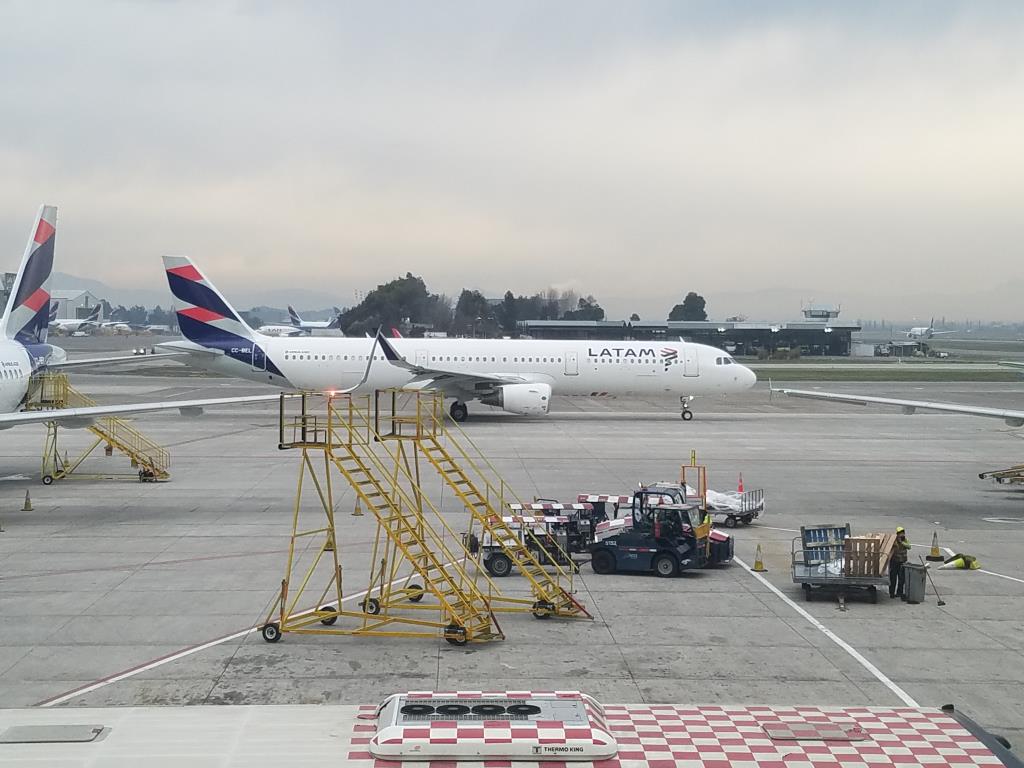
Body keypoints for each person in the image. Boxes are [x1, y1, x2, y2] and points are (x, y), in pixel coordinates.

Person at [890, 526, 911, 599]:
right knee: (893, 578)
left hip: (902, 562)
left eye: (902, 533)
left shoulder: (905, 540)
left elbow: (909, 547)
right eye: (899, 533)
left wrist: (902, 542)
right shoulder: (894, 540)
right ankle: (892, 593)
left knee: (901, 578)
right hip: (894, 561)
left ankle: (899, 593)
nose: (901, 535)